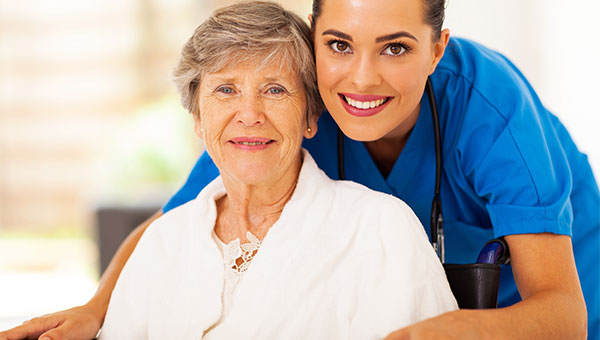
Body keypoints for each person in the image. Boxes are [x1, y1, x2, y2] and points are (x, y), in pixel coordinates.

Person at [1, 0, 597, 339]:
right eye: (339, 44)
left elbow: (563, 313)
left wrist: (421, 334)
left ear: (437, 49)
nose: (362, 78)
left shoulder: (489, 112)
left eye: (395, 47)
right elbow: (172, 223)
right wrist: (96, 309)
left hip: (552, 297)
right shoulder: (301, 98)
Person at [101, 2, 456, 339]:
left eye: (275, 90)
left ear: (310, 117)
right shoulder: (162, 242)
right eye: (226, 90)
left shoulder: (381, 228)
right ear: (197, 117)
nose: (250, 114)